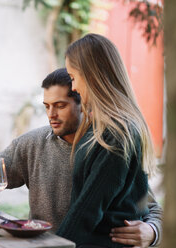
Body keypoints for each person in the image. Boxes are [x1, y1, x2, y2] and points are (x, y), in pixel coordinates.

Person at [0, 68, 162, 247]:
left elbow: (153, 208)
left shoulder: (109, 148)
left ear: (83, 103)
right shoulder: (31, 144)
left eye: (60, 105)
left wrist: (152, 232)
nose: (51, 114)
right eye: (47, 106)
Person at [55, 33, 157, 248]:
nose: (72, 87)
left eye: (73, 77)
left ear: (92, 75)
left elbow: (87, 210)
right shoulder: (100, 126)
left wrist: (55, 245)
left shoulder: (117, 132)